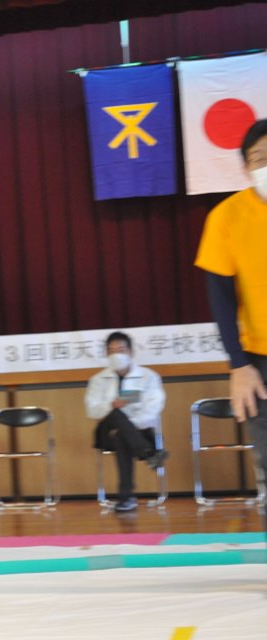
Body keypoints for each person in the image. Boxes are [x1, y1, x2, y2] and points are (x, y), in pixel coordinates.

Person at [195, 119, 267, 530]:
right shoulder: (226, 217)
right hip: (259, 360)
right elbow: (221, 299)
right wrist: (238, 364)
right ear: (245, 167)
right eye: (260, 158)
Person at [85, 332, 168, 512]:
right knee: (115, 413)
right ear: (106, 354)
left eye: (121, 350)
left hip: (140, 431)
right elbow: (92, 410)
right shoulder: (98, 380)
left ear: (131, 352)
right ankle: (149, 454)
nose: (116, 354)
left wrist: (128, 427)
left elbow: (153, 408)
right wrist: (111, 405)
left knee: (121, 435)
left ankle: (126, 497)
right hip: (106, 431)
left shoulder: (148, 377)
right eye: (111, 351)